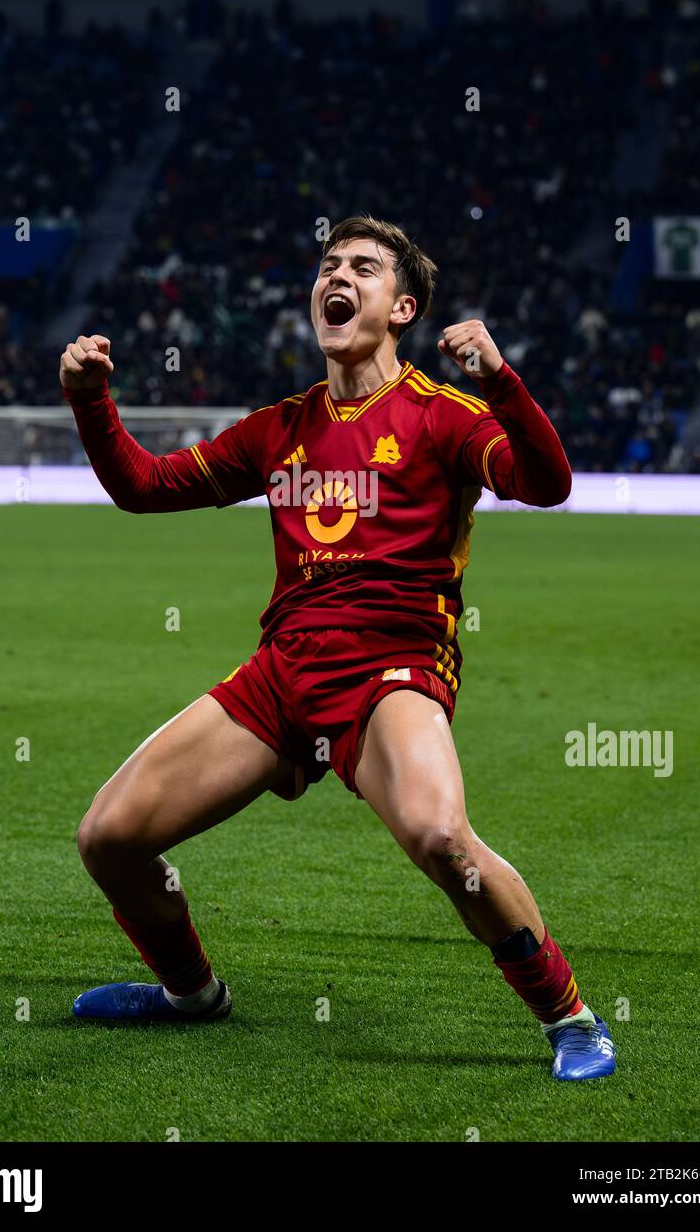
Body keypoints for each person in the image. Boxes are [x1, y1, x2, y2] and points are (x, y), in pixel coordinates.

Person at [60, 214, 615, 1082]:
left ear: (402, 307)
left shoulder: (444, 418)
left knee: (441, 838)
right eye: (327, 264)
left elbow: (547, 485)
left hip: (391, 671)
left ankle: (571, 1016)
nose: (337, 277)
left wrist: (504, 381)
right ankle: (191, 994)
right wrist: (91, 399)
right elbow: (142, 486)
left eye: (362, 266)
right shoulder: (278, 429)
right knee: (108, 837)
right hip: (283, 674)